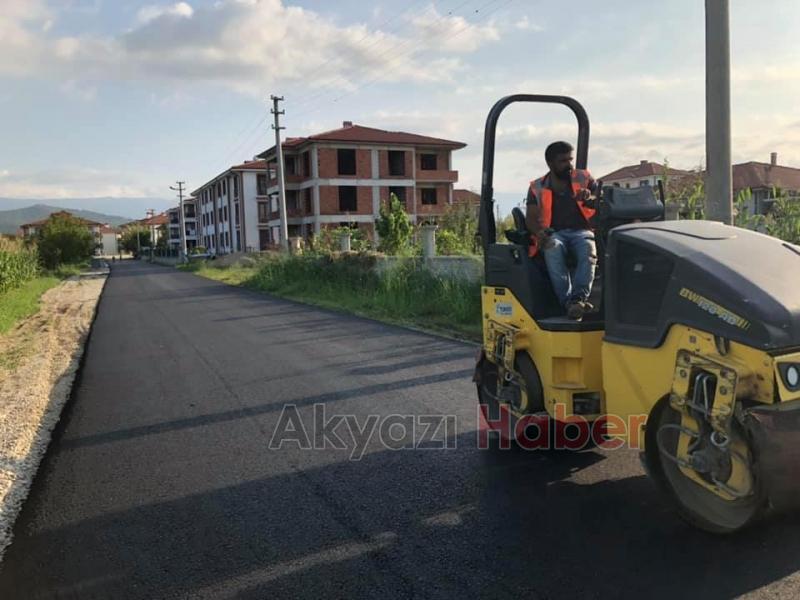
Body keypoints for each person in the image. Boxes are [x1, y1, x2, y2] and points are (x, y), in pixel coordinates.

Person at [525, 141, 597, 320]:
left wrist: (590, 196)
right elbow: (531, 218)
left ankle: (578, 299)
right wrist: (539, 232)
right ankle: (569, 303)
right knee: (552, 247)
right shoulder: (537, 187)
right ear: (550, 163)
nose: (569, 165)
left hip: (582, 231)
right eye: (563, 161)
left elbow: (600, 198)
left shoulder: (583, 178)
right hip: (553, 233)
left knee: (588, 249)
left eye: (570, 159)